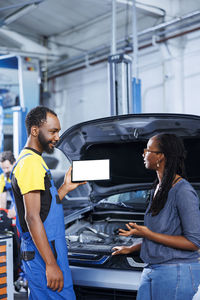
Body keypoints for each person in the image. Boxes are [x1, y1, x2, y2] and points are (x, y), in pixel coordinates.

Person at [112, 133, 200, 300]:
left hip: (176, 272)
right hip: (153, 269)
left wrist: (147, 233)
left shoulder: (183, 191)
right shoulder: (157, 188)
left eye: (148, 150)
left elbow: (194, 242)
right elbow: (165, 233)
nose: (143, 154)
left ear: (161, 156)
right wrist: (132, 248)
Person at [11, 106, 85, 299]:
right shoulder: (31, 164)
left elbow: (44, 207)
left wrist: (65, 188)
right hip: (44, 254)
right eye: (53, 131)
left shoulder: (36, 161)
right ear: (35, 130)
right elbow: (32, 216)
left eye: (58, 131)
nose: (57, 137)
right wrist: (51, 264)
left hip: (47, 250)